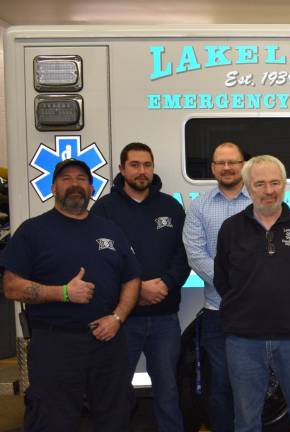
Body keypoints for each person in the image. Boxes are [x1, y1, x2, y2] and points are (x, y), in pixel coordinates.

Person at [1, 159, 140, 431]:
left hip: (108, 343)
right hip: (56, 345)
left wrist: (118, 317)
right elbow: (11, 286)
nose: (74, 184)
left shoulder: (110, 230)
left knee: (116, 416)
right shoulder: (33, 231)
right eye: (66, 179)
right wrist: (63, 293)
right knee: (52, 420)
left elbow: (132, 278)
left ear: (91, 188)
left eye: (81, 179)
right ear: (53, 187)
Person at [214, 155, 290, 432]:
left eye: (275, 182)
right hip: (244, 340)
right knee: (246, 421)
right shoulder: (231, 229)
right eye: (260, 184)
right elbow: (222, 279)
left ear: (284, 185)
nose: (269, 190)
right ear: (248, 187)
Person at [91, 142, 190, 432]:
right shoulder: (104, 210)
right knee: (117, 390)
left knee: (168, 390)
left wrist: (168, 284)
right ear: (122, 169)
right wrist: (137, 290)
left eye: (147, 164)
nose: (141, 171)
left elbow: (183, 255)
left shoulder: (170, 206)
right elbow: (101, 261)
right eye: (134, 165)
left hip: (165, 318)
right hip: (123, 320)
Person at [182, 141, 251, 431]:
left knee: (252, 383)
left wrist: (250, 287)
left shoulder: (258, 202)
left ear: (243, 165)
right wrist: (236, 285)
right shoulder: (199, 207)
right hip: (217, 311)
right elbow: (196, 254)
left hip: (257, 312)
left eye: (233, 162)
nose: (227, 167)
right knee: (221, 384)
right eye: (220, 162)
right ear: (212, 168)